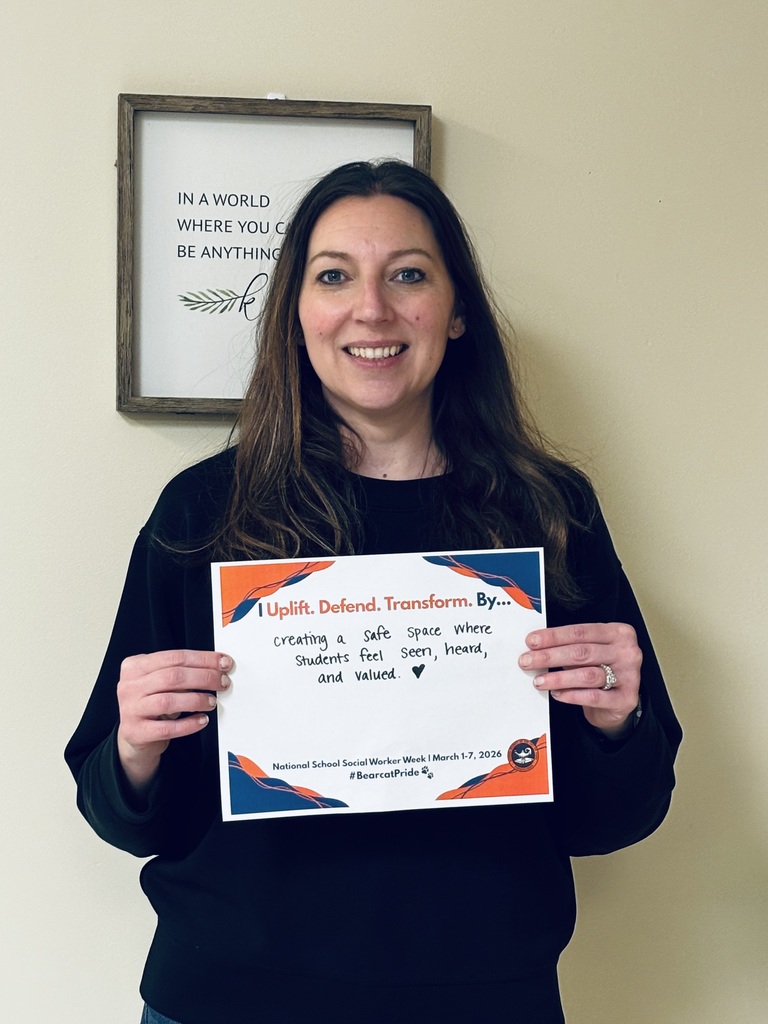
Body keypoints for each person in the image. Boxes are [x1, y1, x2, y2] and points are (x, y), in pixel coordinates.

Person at [65, 160, 681, 1024]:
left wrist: (619, 722)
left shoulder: (547, 513)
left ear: (457, 310)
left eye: (408, 274)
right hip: (227, 999)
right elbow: (120, 814)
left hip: (483, 1000)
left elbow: (612, 821)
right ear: (298, 315)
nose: (372, 310)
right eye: (334, 276)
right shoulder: (205, 514)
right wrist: (135, 748)